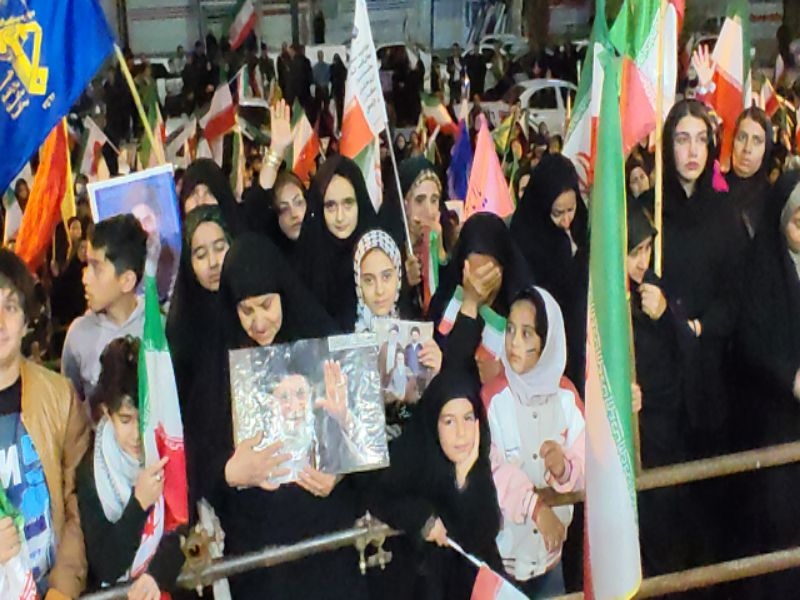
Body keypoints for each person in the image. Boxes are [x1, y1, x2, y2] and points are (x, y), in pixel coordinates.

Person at [216, 232, 368, 600]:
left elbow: (369, 439)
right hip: (261, 557)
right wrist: (229, 472)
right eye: (246, 310)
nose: (258, 322)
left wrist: (342, 467)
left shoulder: (323, 340)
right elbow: (200, 458)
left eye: (266, 305)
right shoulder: (219, 363)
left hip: (328, 545)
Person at [0, 249, 90, 599]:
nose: (0, 321)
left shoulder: (58, 397)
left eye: (10, 307)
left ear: (26, 321)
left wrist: (63, 587)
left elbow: (78, 502)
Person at [483, 285, 585, 598]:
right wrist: (536, 507)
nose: (514, 342)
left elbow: (588, 461)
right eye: (511, 330)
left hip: (550, 557)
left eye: (527, 333)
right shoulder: (492, 398)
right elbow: (491, 470)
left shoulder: (566, 397)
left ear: (547, 340)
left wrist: (564, 469)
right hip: (502, 560)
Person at [369, 369, 503, 599]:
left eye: (468, 418)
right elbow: (376, 494)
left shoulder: (477, 462)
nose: (461, 433)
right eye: (449, 421)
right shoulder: (412, 456)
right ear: (433, 422)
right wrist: (421, 518)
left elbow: (483, 533)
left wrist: (464, 479)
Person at [733, 173, 800, 597]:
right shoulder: (761, 266)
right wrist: (790, 376)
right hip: (775, 418)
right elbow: (750, 340)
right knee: (781, 525)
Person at [77, 337, 184, 596]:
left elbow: (184, 524)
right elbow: (106, 566)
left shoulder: (170, 448)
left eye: (144, 419)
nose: (137, 435)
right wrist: (139, 504)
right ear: (107, 413)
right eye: (125, 420)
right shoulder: (92, 473)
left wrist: (157, 574)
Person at [626, 205, 693, 580]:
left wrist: (666, 314)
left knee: (667, 530)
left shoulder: (654, 287)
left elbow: (688, 353)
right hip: (630, 435)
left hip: (666, 432)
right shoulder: (600, 296)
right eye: (634, 252)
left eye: (647, 249)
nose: (643, 261)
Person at [510, 153, 588, 394]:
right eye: (557, 213)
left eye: (571, 209)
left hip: (582, 337)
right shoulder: (525, 235)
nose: (566, 220)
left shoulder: (582, 222)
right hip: (548, 341)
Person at [430, 212, 533, 386]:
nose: (479, 287)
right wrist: (470, 303)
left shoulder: (522, 307)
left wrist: (503, 372)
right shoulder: (445, 299)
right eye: (473, 276)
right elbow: (451, 367)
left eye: (488, 277)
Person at [62, 214, 148, 401]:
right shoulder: (78, 335)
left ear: (127, 280)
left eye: (97, 268)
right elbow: (71, 408)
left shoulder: (161, 328)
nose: (85, 278)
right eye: (87, 265)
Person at [296, 156, 378, 332]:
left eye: (348, 204)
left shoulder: (380, 254)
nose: (340, 217)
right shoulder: (305, 262)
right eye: (330, 206)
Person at [726, 107, 774, 240]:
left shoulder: (773, 202)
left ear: (766, 149)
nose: (747, 148)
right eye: (742, 137)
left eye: (756, 141)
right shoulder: (712, 189)